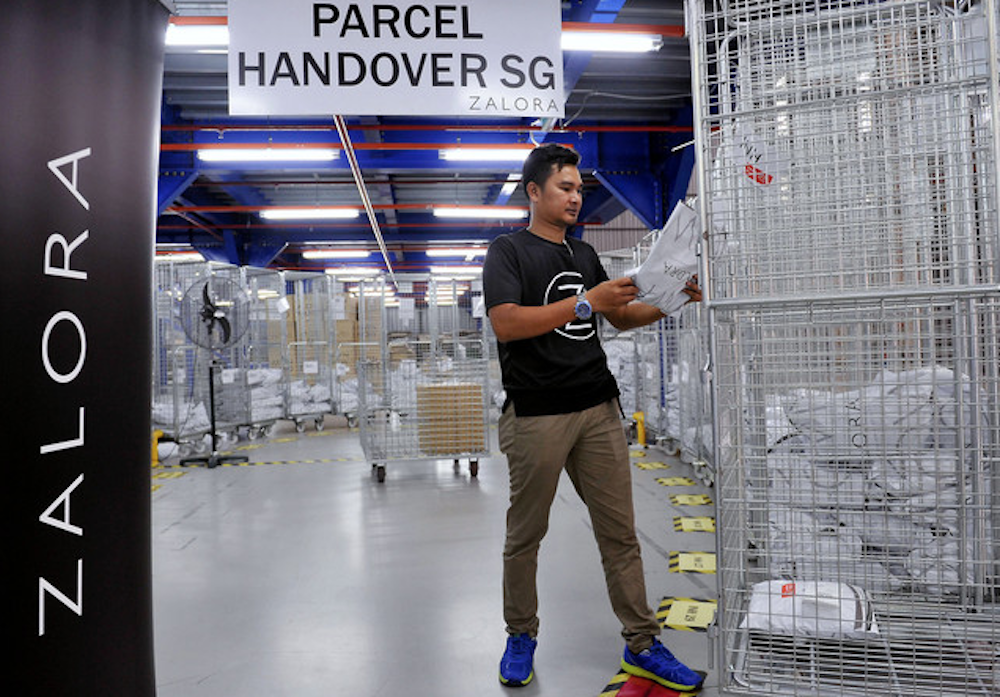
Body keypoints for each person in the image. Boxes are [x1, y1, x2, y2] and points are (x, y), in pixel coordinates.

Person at [482, 142, 704, 691]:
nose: (577, 197)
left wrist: (674, 300)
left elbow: (621, 317)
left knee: (620, 534)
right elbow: (507, 324)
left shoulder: (583, 257)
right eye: (566, 187)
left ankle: (643, 642)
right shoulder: (507, 252)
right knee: (526, 534)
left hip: (597, 409)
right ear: (534, 191)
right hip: (537, 414)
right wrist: (587, 302)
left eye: (580, 188)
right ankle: (521, 634)